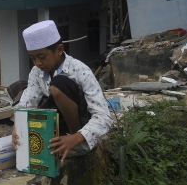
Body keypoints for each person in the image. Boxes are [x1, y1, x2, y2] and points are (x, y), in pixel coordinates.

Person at [11, 20, 113, 163]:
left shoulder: (80, 70)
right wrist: (17, 127)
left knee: (58, 85)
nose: (37, 63)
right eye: (33, 58)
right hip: (58, 120)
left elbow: (104, 117)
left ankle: (76, 143)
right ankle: (57, 138)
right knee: (18, 88)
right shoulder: (36, 72)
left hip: (81, 123)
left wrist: (76, 137)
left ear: (59, 49)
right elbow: (27, 102)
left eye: (42, 57)